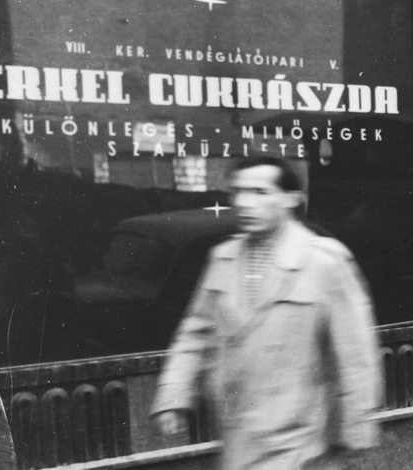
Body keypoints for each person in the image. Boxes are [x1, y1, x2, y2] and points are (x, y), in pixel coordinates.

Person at [152, 157, 382, 470]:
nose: (245, 203)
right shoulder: (222, 259)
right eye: (239, 192)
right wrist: (174, 397)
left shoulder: (323, 262)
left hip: (303, 440)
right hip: (239, 435)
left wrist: (355, 431)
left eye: (260, 192)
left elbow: (355, 353)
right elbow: (195, 333)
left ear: (291, 199)